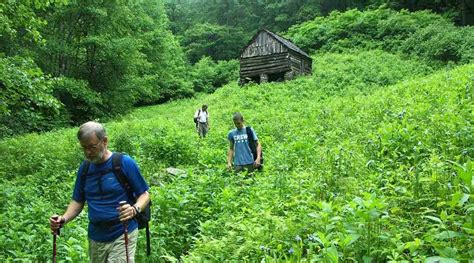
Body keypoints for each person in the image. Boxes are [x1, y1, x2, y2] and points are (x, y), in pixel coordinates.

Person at [49, 121, 150, 262]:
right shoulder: (84, 169)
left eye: (92, 146)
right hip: (96, 235)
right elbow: (78, 201)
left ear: (105, 141)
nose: (88, 152)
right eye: (84, 148)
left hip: (122, 231)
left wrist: (134, 209)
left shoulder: (124, 162)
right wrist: (63, 219)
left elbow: (144, 195)